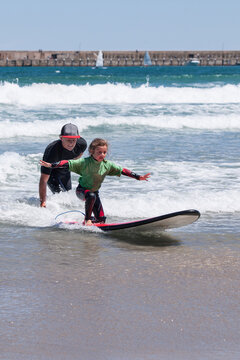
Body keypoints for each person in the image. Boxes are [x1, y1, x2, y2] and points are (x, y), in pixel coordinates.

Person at [40, 138, 150, 225]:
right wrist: (52, 165)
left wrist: (138, 177)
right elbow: (66, 163)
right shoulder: (84, 162)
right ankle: (87, 220)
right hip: (82, 191)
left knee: (101, 220)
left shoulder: (107, 165)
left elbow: (122, 170)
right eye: (99, 152)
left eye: (104, 152)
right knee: (91, 195)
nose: (102, 154)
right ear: (92, 152)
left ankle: (93, 220)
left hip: (94, 193)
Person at [39, 123, 87, 208]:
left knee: (67, 196)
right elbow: (43, 180)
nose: (71, 143)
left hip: (64, 168)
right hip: (51, 170)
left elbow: (78, 155)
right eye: (68, 140)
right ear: (61, 138)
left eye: (74, 140)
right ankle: (52, 209)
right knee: (59, 194)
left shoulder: (82, 144)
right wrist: (43, 202)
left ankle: (68, 214)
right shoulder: (52, 152)